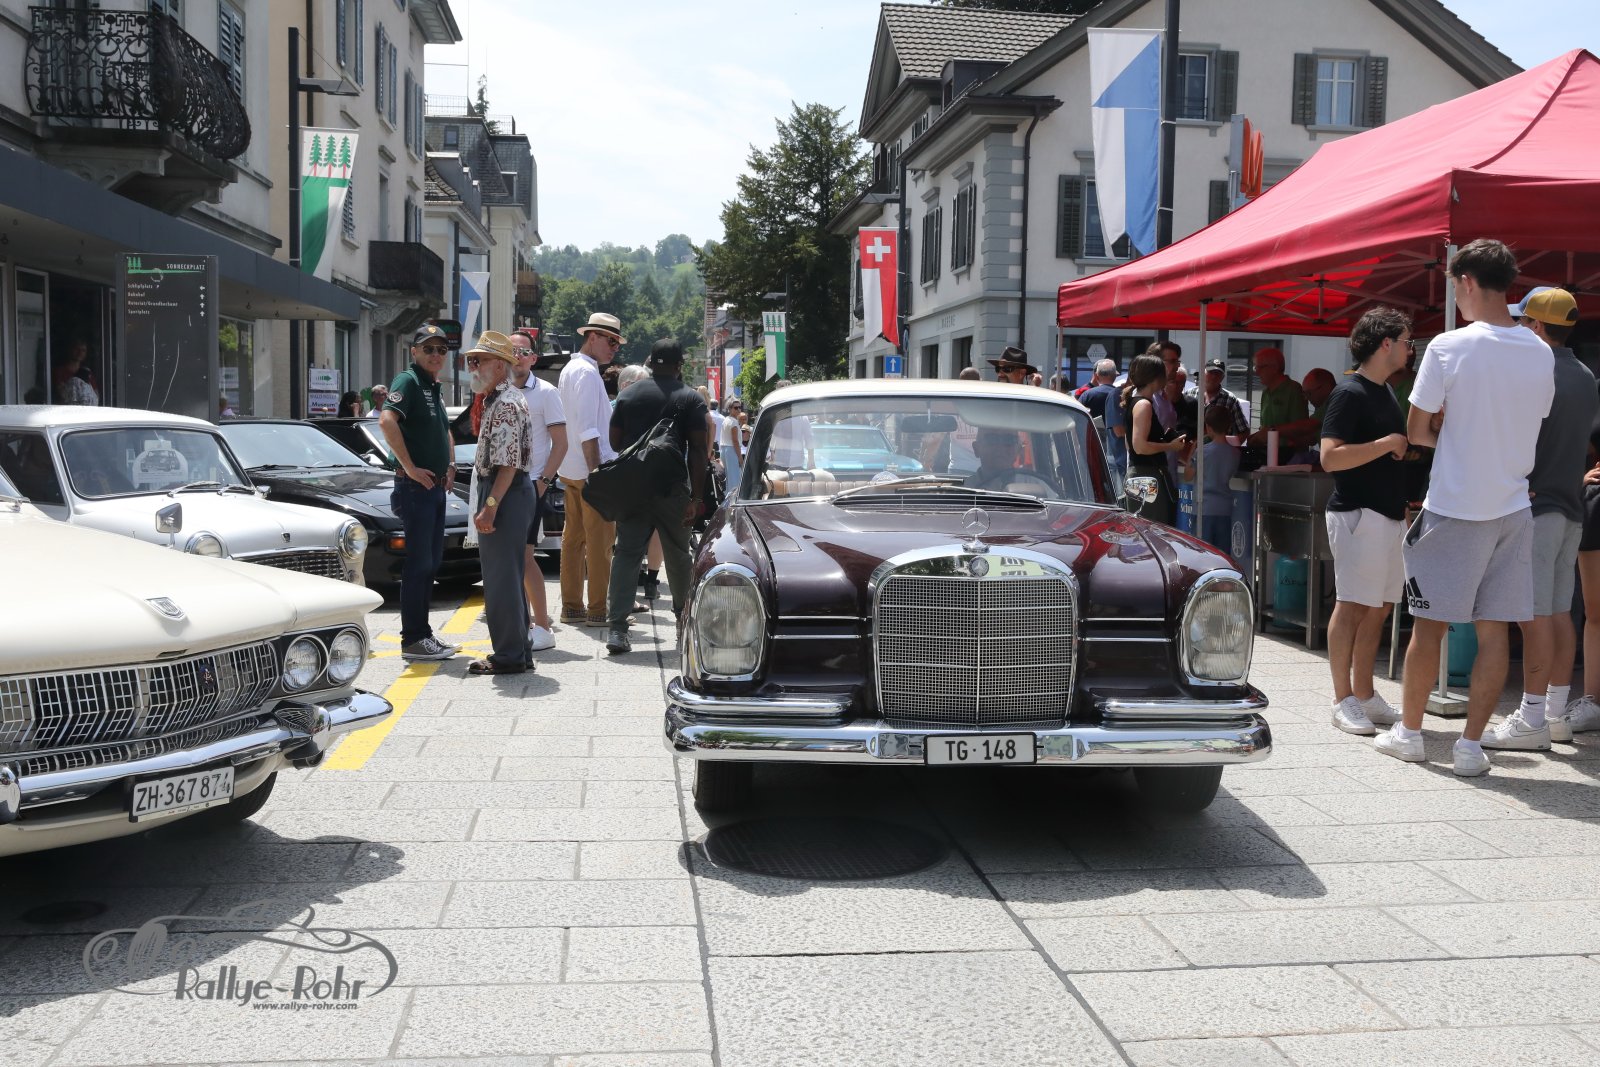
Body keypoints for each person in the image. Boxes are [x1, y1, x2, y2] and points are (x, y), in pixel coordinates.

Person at [1375, 239, 1555, 776]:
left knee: (1429, 626)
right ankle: (1471, 746)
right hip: (1513, 505)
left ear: (1468, 281)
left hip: (1455, 505)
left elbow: (1417, 431)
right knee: (1494, 629)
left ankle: (1410, 734)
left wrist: (1448, 429)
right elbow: (1532, 420)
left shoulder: (1448, 346)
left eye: (1455, 284)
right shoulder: (1539, 350)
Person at [1482, 287, 1596, 748]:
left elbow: (1516, 438)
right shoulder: (1586, 374)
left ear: (1536, 326)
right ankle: (1552, 714)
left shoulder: (1536, 369)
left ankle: (1531, 719)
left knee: (1534, 616)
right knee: (1559, 613)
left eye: (1522, 321)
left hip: (1538, 506)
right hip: (1570, 507)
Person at [1320, 307, 1413, 736]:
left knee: (1379, 607)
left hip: (1388, 515)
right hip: (1358, 514)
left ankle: (1364, 693)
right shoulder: (1349, 393)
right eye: (1407, 341)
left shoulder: (1384, 390)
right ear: (1386, 343)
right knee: (1354, 605)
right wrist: (1386, 443)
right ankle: (1343, 699)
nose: (1411, 349)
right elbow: (1329, 457)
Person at [603, 340, 709, 654]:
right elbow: (698, 451)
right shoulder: (690, 398)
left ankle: (617, 630)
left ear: (650, 362)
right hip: (672, 489)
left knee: (627, 554)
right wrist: (696, 498)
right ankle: (682, 622)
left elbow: (615, 441)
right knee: (678, 555)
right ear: (680, 365)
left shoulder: (629, 394)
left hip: (634, 488)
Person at [454, 332, 536, 674]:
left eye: (481, 360)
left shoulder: (504, 404)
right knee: (508, 577)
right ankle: (518, 652)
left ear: (501, 365)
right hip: (510, 492)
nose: (473, 366)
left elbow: (507, 464)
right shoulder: (500, 399)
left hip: (505, 492)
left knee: (501, 580)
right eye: (472, 360)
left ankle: (508, 656)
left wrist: (490, 505)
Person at [380, 324, 459, 662]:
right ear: (414, 352)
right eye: (428, 349)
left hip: (434, 487)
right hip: (415, 487)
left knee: (431, 563)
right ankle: (413, 639)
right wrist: (410, 467)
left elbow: (445, 430)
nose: (436, 355)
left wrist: (451, 463)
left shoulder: (432, 386)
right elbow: (387, 421)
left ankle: (423, 634)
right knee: (419, 564)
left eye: (441, 349)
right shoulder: (408, 381)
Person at [558, 313, 624, 627]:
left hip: (573, 468)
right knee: (599, 544)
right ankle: (598, 610)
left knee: (574, 540)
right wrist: (597, 474)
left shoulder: (572, 369)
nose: (615, 347)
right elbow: (588, 429)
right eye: (611, 340)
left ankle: (572, 607)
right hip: (589, 471)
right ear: (592, 336)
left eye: (617, 342)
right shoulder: (586, 372)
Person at [511, 329, 567, 653]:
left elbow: (561, 443)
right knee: (511, 557)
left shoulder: (546, 392)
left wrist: (543, 481)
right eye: (510, 351)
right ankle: (524, 622)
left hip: (530, 483)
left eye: (522, 352)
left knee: (525, 555)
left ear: (533, 358)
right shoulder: (499, 389)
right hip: (502, 484)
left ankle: (543, 626)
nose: (516, 357)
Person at [1122, 353, 1189, 525]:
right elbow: (1139, 446)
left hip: (1143, 475)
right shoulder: (1143, 404)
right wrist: (1170, 446)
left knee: (1148, 527)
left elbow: (1130, 444)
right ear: (1155, 377)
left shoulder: (1137, 401)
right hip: (1146, 476)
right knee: (1152, 529)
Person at [1199, 406, 1239, 558]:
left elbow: (1189, 474)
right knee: (1222, 556)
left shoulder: (1203, 451)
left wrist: (1193, 450)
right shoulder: (1235, 453)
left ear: (1208, 427)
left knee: (1203, 554)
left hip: (1204, 507)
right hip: (1225, 509)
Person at [1246, 348, 1308, 449]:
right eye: (1255, 368)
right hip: (1267, 454)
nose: (1256, 373)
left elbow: (1301, 429)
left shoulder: (1293, 390)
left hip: (1290, 456)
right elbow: (1265, 428)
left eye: (1260, 367)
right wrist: (1257, 437)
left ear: (1274, 368)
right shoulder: (1265, 393)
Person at [1081, 360, 1126, 477]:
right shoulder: (1121, 396)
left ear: (1096, 376)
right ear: (1115, 376)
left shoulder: (1087, 395)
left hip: (1091, 445)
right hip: (1118, 449)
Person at [766, 380, 814, 469]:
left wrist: (811, 460)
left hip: (796, 464)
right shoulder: (773, 415)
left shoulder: (801, 416)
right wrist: (771, 452)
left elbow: (809, 438)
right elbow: (771, 437)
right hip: (777, 463)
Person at [1199, 358, 1249, 440]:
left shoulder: (1230, 399)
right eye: (1211, 372)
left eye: (1217, 373)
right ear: (1203, 373)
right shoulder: (1191, 394)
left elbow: (1244, 431)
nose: (1214, 376)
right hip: (1193, 447)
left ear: (1222, 377)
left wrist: (1227, 445)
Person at [719, 396, 745, 493]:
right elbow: (735, 441)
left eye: (739, 407)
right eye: (736, 408)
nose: (738, 409)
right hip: (731, 450)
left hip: (724, 449)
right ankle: (732, 499)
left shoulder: (726, 420)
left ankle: (728, 497)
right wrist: (740, 458)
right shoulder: (733, 422)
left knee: (729, 478)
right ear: (729, 409)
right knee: (734, 479)